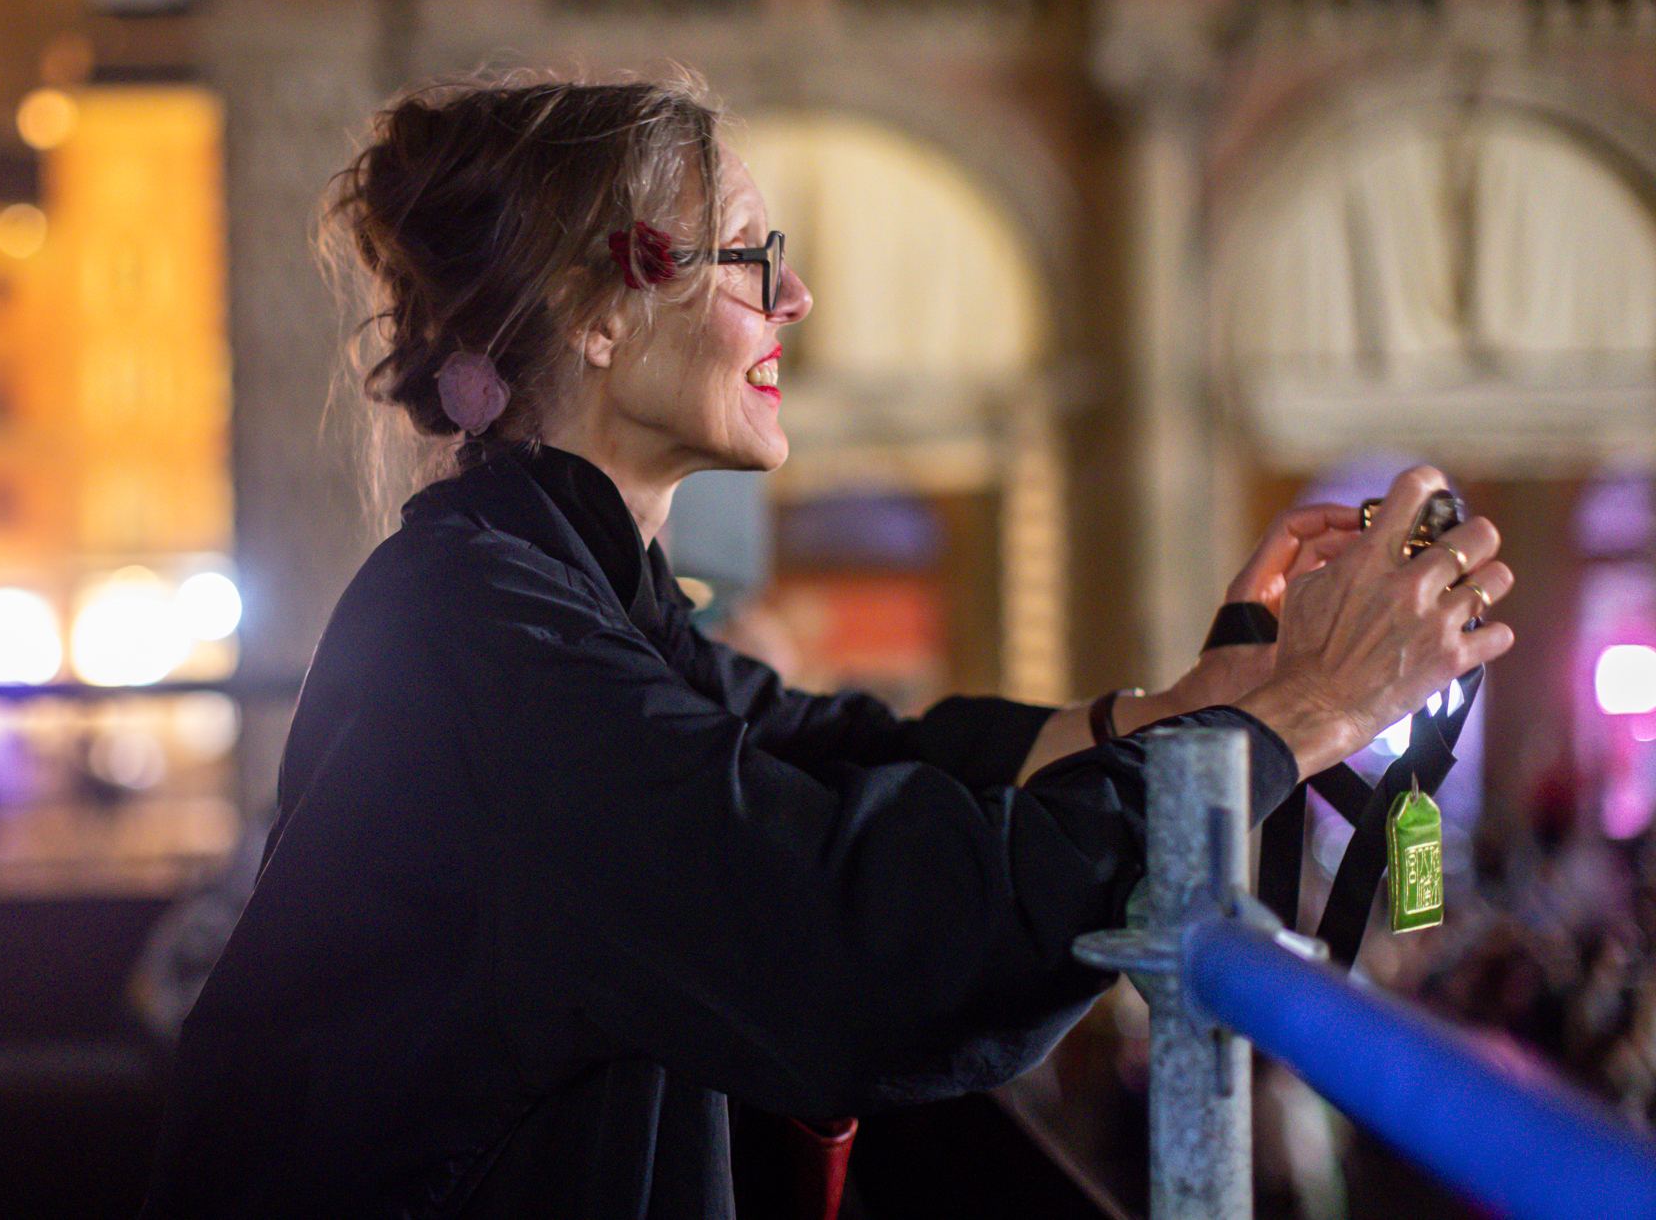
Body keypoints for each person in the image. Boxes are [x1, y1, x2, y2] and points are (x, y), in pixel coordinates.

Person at [137, 73, 1515, 1219]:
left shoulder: (567, 591)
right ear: (594, 311)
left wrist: (1204, 703)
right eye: (748, 255)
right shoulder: (486, 635)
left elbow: (850, 753)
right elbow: (861, 931)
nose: (794, 298)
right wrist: (1308, 710)